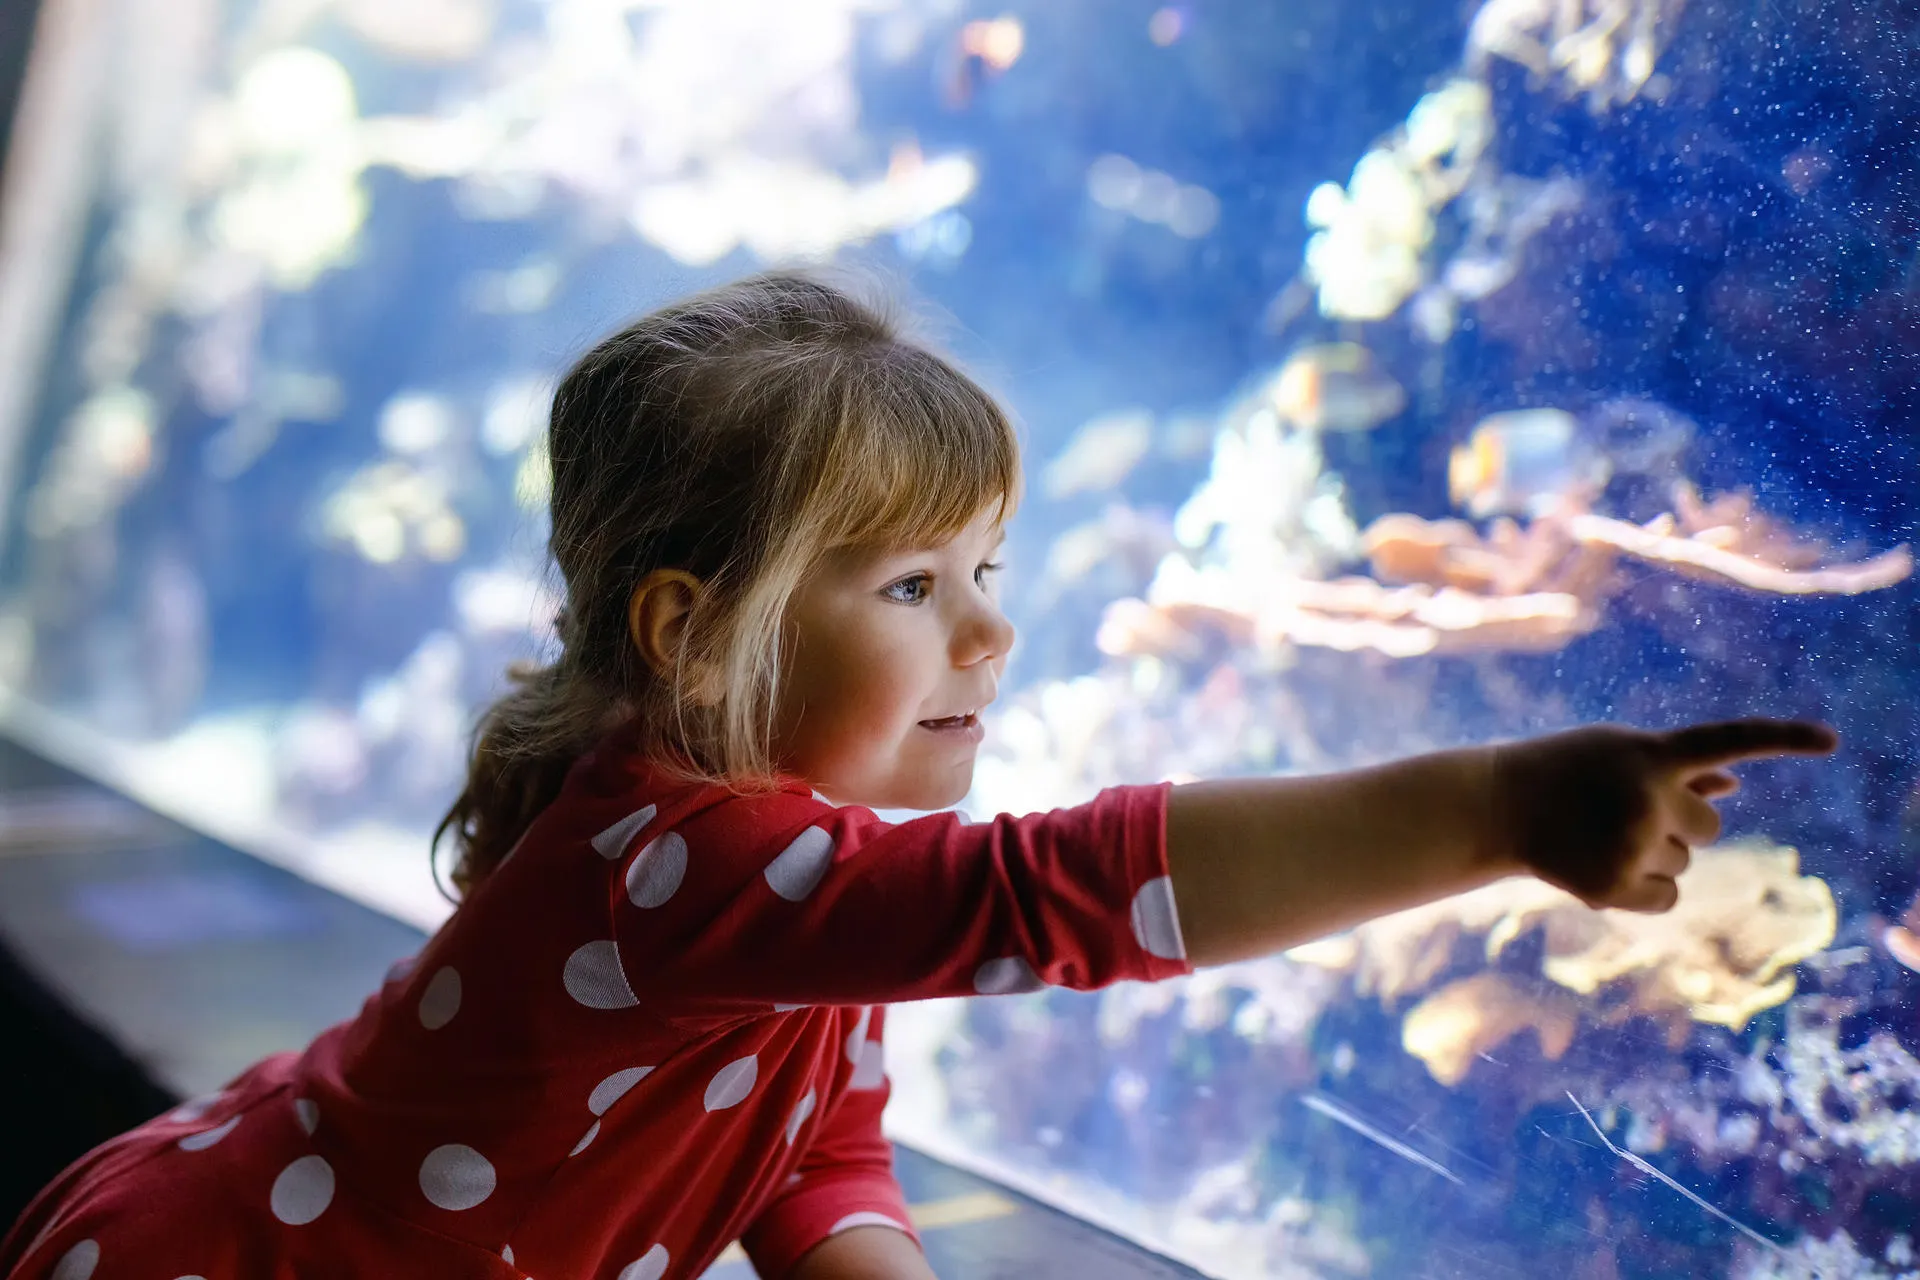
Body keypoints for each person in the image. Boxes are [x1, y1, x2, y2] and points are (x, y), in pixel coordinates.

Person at [0, 273, 1837, 1280]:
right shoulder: (676, 859)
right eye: (906, 586)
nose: (988, 635)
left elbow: (816, 1143)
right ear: (692, 630)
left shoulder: (787, 879)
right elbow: (1053, 898)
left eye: (989, 572)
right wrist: (1494, 809)